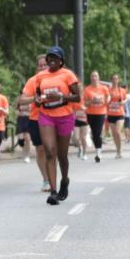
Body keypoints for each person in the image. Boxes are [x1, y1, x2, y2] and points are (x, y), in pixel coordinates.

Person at [29, 46, 80, 205]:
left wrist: (61, 96)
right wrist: (38, 100)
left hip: (65, 117)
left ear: (61, 60)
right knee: (50, 151)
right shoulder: (40, 76)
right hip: (46, 116)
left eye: (55, 58)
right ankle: (53, 192)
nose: (51, 60)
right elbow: (38, 96)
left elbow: (77, 97)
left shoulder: (68, 75)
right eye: (49, 57)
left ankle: (64, 180)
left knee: (62, 156)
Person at [18, 54, 51, 191]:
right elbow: (22, 100)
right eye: (40, 65)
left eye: (45, 65)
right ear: (37, 67)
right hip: (36, 119)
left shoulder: (56, 79)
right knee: (40, 149)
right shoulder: (32, 81)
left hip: (53, 118)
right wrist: (34, 99)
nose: (43, 67)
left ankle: (53, 177)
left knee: (51, 149)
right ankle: (46, 179)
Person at [83, 71, 110, 163]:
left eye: (96, 76)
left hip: (101, 112)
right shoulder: (87, 89)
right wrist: (92, 101)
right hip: (90, 113)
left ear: (98, 78)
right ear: (91, 78)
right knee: (94, 133)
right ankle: (98, 149)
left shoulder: (104, 88)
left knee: (98, 132)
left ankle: (98, 152)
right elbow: (85, 103)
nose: (94, 78)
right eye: (92, 76)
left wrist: (106, 101)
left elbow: (108, 97)